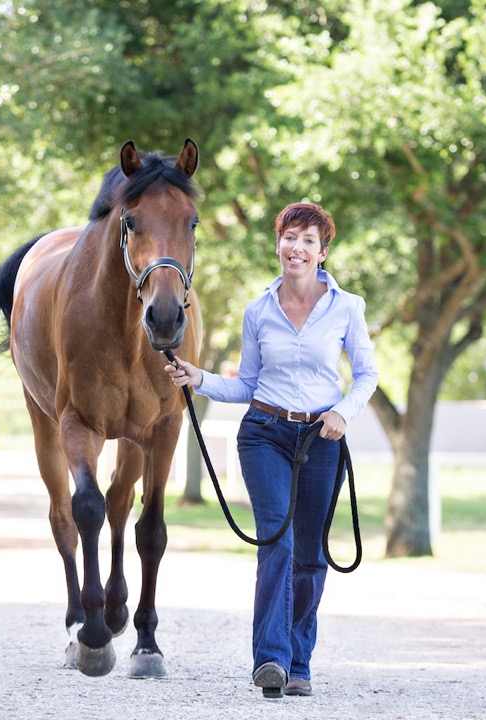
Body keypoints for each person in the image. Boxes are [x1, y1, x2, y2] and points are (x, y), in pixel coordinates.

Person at [163, 201, 379, 698]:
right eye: (289, 238)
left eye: (307, 241)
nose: (296, 248)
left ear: (322, 252)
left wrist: (343, 412)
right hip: (264, 433)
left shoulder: (348, 308)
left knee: (311, 555)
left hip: (322, 439)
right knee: (275, 542)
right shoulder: (258, 311)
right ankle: (271, 661)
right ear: (277, 244)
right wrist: (200, 379)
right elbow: (250, 384)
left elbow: (367, 374)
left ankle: (300, 662)